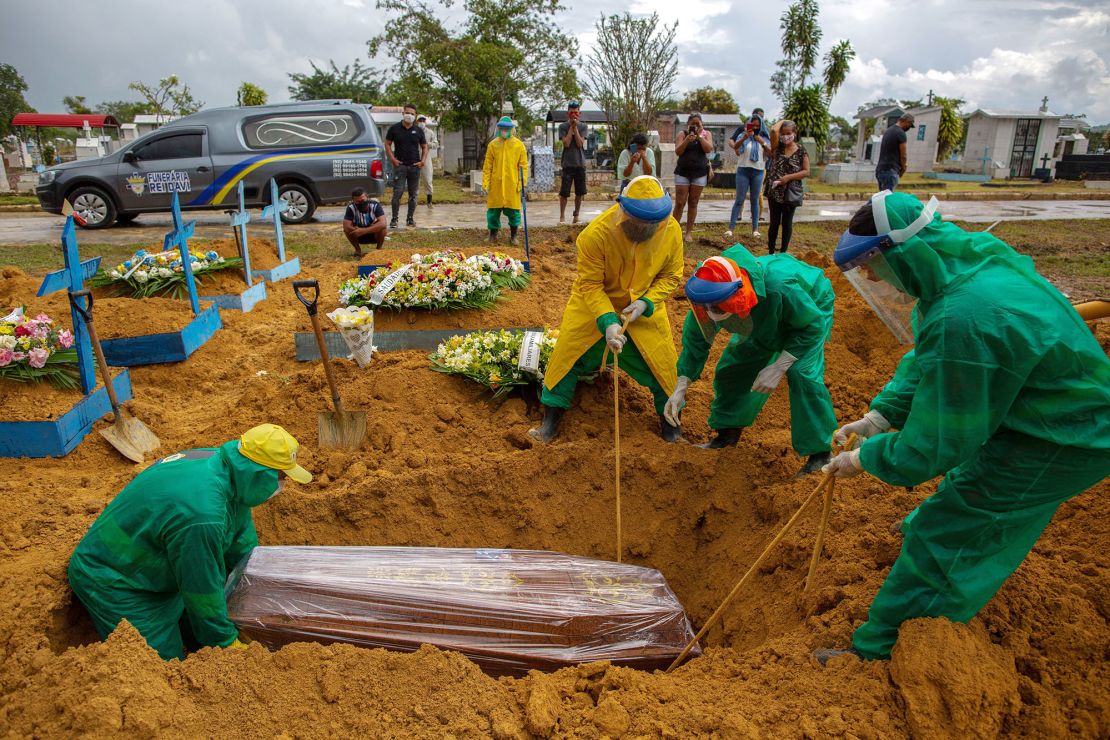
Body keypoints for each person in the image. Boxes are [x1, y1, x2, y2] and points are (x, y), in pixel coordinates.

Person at [816, 191, 1110, 664]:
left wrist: (865, 457)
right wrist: (881, 415)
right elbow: (929, 361)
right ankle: (919, 543)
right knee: (968, 490)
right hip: (1038, 409)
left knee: (957, 530)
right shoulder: (963, 272)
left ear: (904, 252)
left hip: (1066, 436)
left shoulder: (966, 317)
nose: (868, 274)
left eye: (871, 261)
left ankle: (884, 651)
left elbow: (933, 446)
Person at [68, 424, 314, 661]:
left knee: (201, 624)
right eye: (281, 477)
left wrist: (256, 587)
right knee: (162, 666)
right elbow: (201, 590)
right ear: (258, 474)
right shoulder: (202, 515)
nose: (281, 485)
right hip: (118, 579)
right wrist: (227, 643)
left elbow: (241, 539)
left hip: (157, 562)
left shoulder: (224, 466)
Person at [530, 175, 684, 444]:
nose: (646, 227)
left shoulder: (671, 231)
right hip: (594, 308)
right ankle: (550, 423)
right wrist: (607, 321)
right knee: (566, 357)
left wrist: (646, 303)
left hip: (644, 309)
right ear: (623, 210)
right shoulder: (595, 235)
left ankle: (671, 429)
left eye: (652, 222)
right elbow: (590, 284)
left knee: (665, 368)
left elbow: (671, 276)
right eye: (638, 221)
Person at [664, 245, 835, 475]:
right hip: (763, 319)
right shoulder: (707, 294)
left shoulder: (779, 288)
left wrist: (779, 366)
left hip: (809, 308)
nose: (710, 313)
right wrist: (681, 386)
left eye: (718, 311)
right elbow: (695, 343)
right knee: (734, 369)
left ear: (738, 302)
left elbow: (811, 326)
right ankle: (727, 435)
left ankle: (820, 455)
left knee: (802, 373)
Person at [763, 120, 809, 255]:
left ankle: (783, 252)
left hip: (791, 192)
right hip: (775, 191)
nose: (785, 136)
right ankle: (771, 251)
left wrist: (788, 177)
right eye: (783, 133)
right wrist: (783, 121)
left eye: (788, 133)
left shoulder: (801, 151)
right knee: (774, 223)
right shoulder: (777, 147)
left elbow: (806, 171)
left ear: (794, 133)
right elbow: (773, 131)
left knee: (787, 223)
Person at [482, 116, 529, 245]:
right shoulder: (493, 145)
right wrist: (485, 182)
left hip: (512, 185)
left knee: (514, 212)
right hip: (496, 184)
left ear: (512, 129)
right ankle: (492, 234)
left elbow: (523, 166)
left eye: (506, 128)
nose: (504, 130)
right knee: (493, 212)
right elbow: (488, 165)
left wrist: (521, 183)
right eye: (502, 128)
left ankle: (514, 236)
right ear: (498, 129)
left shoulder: (519, 145)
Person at [726, 113, 771, 239]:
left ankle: (755, 229)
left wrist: (762, 142)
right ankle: (731, 228)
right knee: (739, 199)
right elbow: (736, 147)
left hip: (758, 171)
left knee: (754, 199)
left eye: (757, 126)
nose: (755, 128)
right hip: (743, 170)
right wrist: (745, 137)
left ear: (761, 126)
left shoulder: (764, 138)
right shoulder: (743, 135)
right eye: (753, 125)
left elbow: (771, 154)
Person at [385, 103, 428, 229]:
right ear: (403, 113)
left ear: (415, 116)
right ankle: (394, 219)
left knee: (413, 195)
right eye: (407, 112)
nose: (409, 115)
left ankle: (410, 219)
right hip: (400, 166)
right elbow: (387, 144)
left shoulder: (418, 130)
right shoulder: (394, 129)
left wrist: (422, 161)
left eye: (412, 114)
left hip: (415, 167)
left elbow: (425, 147)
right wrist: (392, 159)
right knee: (397, 193)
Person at [672, 113, 713, 243]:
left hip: (700, 172)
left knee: (693, 202)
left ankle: (688, 233)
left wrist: (700, 137)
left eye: (697, 124)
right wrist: (687, 140)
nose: (695, 126)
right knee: (679, 203)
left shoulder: (707, 135)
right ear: (688, 124)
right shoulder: (682, 134)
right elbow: (678, 151)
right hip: (683, 172)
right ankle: (674, 230)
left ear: (702, 125)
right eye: (692, 124)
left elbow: (708, 149)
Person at [558, 102, 588, 224]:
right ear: (567, 114)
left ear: (579, 114)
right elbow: (566, 143)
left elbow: (580, 143)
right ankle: (562, 216)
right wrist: (571, 127)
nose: (574, 115)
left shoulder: (583, 127)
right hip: (567, 164)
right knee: (564, 192)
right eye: (571, 112)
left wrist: (576, 127)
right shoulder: (562, 127)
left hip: (580, 164)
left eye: (576, 112)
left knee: (579, 192)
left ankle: (576, 215)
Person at [342, 187, 388, 257]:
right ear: (353, 201)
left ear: (367, 197)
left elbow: (383, 223)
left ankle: (379, 249)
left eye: (363, 200)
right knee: (347, 230)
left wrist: (364, 231)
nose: (361, 203)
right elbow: (346, 226)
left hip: (373, 234)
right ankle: (358, 251)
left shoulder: (375, 205)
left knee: (383, 229)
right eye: (358, 201)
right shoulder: (351, 207)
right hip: (358, 234)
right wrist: (355, 230)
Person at [875, 113, 914, 192]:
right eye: (910, 124)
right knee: (886, 198)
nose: (909, 127)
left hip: (881, 170)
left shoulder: (889, 130)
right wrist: (903, 168)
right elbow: (903, 155)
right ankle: (868, 204)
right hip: (890, 171)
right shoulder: (901, 133)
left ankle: (870, 204)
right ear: (906, 121)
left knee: (882, 198)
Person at [417, 115, 438, 208]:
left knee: (428, 179)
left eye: (423, 120)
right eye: (420, 120)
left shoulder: (430, 132)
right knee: (414, 180)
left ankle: (429, 201)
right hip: (414, 158)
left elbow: (436, 144)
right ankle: (414, 200)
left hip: (426, 159)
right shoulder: (414, 131)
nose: (421, 122)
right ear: (417, 121)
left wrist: (426, 144)